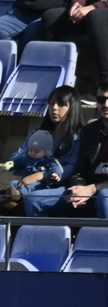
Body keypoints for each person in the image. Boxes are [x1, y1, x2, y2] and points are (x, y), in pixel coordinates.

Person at [24, 80, 108, 218]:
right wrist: (79, 188)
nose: (105, 104)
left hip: (101, 193)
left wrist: (94, 188)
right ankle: (47, 238)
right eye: (101, 99)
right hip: (89, 193)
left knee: (105, 197)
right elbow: (79, 171)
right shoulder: (89, 131)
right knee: (34, 199)